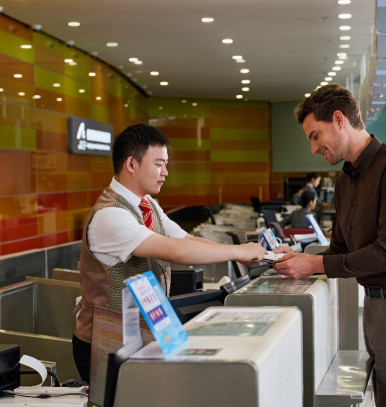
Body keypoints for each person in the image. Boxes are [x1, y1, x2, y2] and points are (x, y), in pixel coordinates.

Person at [273, 84, 386, 407]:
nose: (313, 149)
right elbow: (340, 248)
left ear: (339, 120)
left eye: (315, 136)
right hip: (376, 304)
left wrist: (315, 264)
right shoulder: (346, 181)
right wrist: (297, 258)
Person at [72, 124, 266, 382]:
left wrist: (239, 253)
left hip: (142, 337)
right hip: (106, 345)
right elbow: (174, 251)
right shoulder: (110, 215)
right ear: (132, 164)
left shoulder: (148, 204)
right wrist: (237, 250)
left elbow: (187, 240)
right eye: (159, 164)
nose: (166, 172)